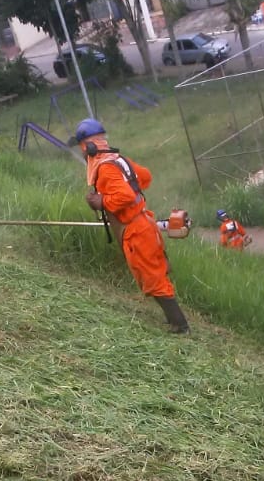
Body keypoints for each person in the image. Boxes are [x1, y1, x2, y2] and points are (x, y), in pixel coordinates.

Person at [72, 118, 190, 335]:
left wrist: (103, 201)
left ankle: (180, 325)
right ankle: (174, 320)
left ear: (86, 147)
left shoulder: (106, 168)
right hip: (145, 224)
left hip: (136, 230)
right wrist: (124, 187)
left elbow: (125, 195)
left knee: (153, 278)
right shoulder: (119, 160)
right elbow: (145, 177)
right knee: (154, 274)